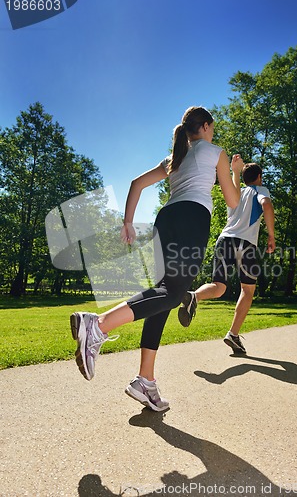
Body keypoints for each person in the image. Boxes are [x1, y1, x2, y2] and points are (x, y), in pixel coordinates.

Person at [70, 106, 244, 411]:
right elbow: (233, 201)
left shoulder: (173, 158)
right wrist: (235, 173)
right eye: (212, 128)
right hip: (193, 218)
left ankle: (145, 380)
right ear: (205, 126)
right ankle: (97, 325)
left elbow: (136, 183)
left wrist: (127, 222)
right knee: (173, 293)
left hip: (166, 219)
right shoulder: (216, 151)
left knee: (165, 294)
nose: (213, 133)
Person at [178, 163, 275, 354]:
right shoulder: (260, 190)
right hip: (245, 244)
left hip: (224, 241)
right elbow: (267, 205)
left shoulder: (235, 195)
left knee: (219, 286)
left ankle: (193, 296)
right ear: (259, 176)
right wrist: (271, 235)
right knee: (247, 290)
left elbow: (235, 185)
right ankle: (233, 334)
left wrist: (235, 171)